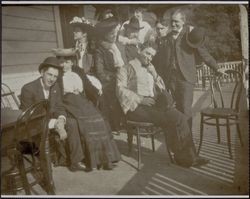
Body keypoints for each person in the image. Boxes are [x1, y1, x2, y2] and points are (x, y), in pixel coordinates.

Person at [116, 44, 209, 167]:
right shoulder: (126, 68)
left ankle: (190, 156)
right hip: (136, 108)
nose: (149, 58)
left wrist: (154, 74)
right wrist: (140, 99)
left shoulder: (150, 67)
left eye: (152, 56)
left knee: (181, 117)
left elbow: (161, 87)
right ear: (139, 50)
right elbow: (120, 90)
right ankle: (184, 158)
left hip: (153, 105)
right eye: (147, 53)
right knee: (171, 119)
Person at [155, 9, 227, 133]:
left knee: (185, 109)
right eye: (172, 21)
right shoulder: (166, 38)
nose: (173, 24)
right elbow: (160, 60)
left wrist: (217, 67)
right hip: (170, 79)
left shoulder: (189, 36)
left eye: (177, 21)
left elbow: (204, 54)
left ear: (183, 21)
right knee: (174, 109)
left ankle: (187, 140)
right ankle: (178, 137)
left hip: (186, 78)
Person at [55, 51, 121, 171]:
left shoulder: (78, 71)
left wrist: (97, 93)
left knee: (100, 120)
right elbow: (56, 95)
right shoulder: (57, 74)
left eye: (67, 62)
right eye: (61, 62)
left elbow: (87, 85)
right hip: (69, 102)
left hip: (82, 101)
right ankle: (93, 161)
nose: (63, 65)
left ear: (72, 62)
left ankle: (106, 159)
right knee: (85, 124)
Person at [20, 57, 88, 172]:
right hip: (33, 124)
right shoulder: (28, 89)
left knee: (72, 122)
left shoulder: (55, 87)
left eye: (55, 76)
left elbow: (59, 106)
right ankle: (58, 159)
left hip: (50, 120)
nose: (52, 79)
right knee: (61, 125)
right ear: (42, 73)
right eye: (49, 75)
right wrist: (56, 124)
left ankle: (75, 161)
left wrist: (61, 119)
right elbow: (31, 118)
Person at [52, 16, 102, 105]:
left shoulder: (93, 49)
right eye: (74, 30)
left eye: (77, 31)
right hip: (74, 76)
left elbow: (98, 70)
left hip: (89, 79)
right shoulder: (72, 49)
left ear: (85, 33)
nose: (74, 32)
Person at [93, 16, 127, 133]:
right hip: (109, 82)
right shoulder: (100, 50)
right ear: (105, 34)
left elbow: (125, 65)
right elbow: (100, 72)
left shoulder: (118, 47)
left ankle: (130, 120)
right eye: (111, 33)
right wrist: (116, 77)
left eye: (115, 33)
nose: (114, 35)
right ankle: (115, 124)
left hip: (122, 78)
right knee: (113, 94)